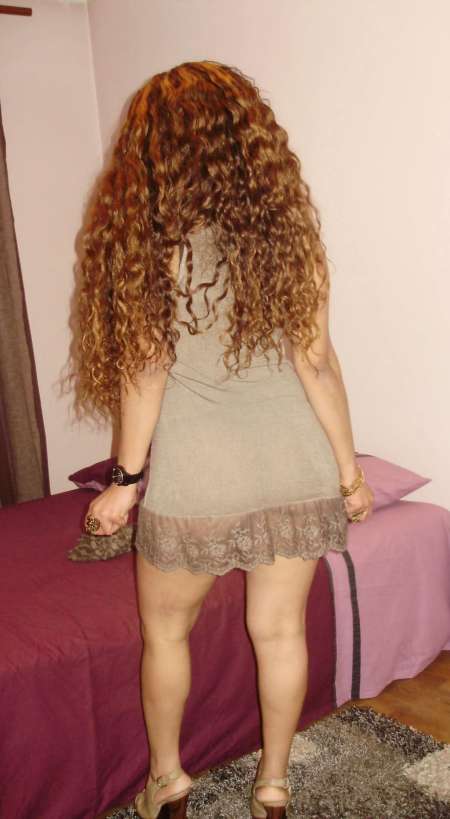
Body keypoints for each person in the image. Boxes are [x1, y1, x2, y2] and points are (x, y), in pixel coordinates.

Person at [75, 60, 374, 819]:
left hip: (200, 478)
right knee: (280, 632)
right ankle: (273, 784)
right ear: (250, 141)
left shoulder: (152, 247)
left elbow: (146, 375)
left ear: (156, 151)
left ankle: (168, 781)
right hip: (295, 466)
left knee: (165, 633)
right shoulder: (291, 239)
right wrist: (348, 473)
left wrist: (124, 483)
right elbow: (317, 362)